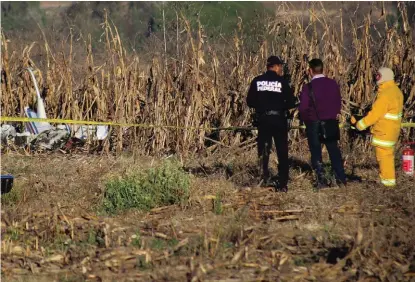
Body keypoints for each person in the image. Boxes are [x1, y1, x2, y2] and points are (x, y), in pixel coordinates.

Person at [247, 56, 297, 192]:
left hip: (263, 119)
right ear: (275, 66)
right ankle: (282, 184)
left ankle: (263, 179)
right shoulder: (282, 82)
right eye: (280, 66)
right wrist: (281, 105)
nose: (281, 69)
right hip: (279, 119)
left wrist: (262, 105)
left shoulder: (257, 81)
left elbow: (249, 101)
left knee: (263, 150)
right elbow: (292, 103)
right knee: (282, 151)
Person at [299, 58, 347, 188]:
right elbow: (338, 102)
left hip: (314, 123)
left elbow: (303, 108)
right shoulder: (332, 84)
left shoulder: (308, 87)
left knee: (316, 152)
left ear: (310, 71)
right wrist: (332, 114)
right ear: (322, 69)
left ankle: (321, 180)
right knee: (334, 150)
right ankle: (341, 178)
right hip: (331, 122)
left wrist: (306, 120)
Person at [352, 67, 403, 188]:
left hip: (383, 132)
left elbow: (375, 115)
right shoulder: (396, 91)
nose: (376, 79)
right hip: (392, 131)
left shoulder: (385, 95)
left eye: (378, 76)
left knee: (384, 158)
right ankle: (389, 183)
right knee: (388, 157)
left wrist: (360, 125)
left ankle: (387, 186)